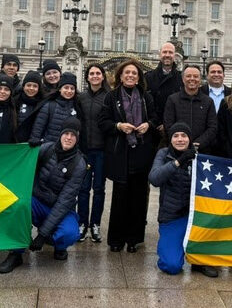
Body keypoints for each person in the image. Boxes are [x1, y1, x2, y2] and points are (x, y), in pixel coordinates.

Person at [0, 118, 86, 273]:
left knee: (70, 233)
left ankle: (58, 244)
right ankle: (16, 253)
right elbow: (23, 163)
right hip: (37, 201)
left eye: (73, 135)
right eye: (66, 133)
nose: (69, 138)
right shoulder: (47, 149)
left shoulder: (79, 164)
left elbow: (64, 202)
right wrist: (29, 149)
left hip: (60, 209)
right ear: (60, 134)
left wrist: (42, 234)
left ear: (77, 138)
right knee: (18, 207)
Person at [99, 59, 158, 253]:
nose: (131, 76)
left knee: (138, 198)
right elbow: (103, 121)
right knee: (120, 197)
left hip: (141, 150)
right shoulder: (111, 96)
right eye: (127, 73)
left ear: (139, 77)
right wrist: (119, 126)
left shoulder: (146, 97)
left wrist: (148, 125)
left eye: (134, 73)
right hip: (121, 151)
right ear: (121, 76)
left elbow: (155, 117)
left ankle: (134, 239)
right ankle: (116, 239)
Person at [149, 122, 218, 278]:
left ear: (190, 139)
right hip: (172, 217)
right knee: (172, 266)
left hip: (196, 218)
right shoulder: (163, 154)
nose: (180, 139)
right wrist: (178, 161)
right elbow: (154, 179)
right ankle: (176, 247)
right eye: (176, 136)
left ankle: (197, 260)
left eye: (184, 136)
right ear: (170, 139)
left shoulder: (199, 156)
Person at [76, 64, 110, 243]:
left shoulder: (108, 97)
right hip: (84, 150)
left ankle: (95, 223)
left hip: (102, 150)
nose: (95, 76)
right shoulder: (81, 97)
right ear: (87, 77)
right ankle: (82, 222)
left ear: (103, 77)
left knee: (98, 189)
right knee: (83, 189)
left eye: (98, 73)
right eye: (92, 73)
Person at [162, 65, 217, 153]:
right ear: (183, 79)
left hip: (202, 151)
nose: (192, 79)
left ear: (200, 79)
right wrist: (182, 142)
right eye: (188, 76)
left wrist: (198, 143)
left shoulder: (208, 101)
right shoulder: (172, 99)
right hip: (177, 150)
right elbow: (168, 125)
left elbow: (212, 127)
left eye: (195, 76)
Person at [144, 42, 182, 139]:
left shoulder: (181, 77)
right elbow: (145, 104)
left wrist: (167, 124)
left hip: (174, 128)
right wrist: (155, 123)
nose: (167, 55)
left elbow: (182, 105)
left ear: (175, 55)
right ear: (160, 54)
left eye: (170, 52)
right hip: (152, 127)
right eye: (165, 52)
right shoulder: (148, 77)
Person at [29, 73, 80, 145]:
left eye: (72, 88)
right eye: (66, 87)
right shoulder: (49, 105)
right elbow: (38, 126)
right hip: (49, 147)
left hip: (68, 147)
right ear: (60, 89)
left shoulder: (77, 107)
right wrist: (34, 140)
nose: (69, 91)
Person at [14, 70, 44, 143]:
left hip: (33, 143)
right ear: (23, 86)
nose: (31, 88)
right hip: (15, 142)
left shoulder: (42, 103)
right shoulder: (15, 101)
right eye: (28, 85)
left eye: (35, 86)